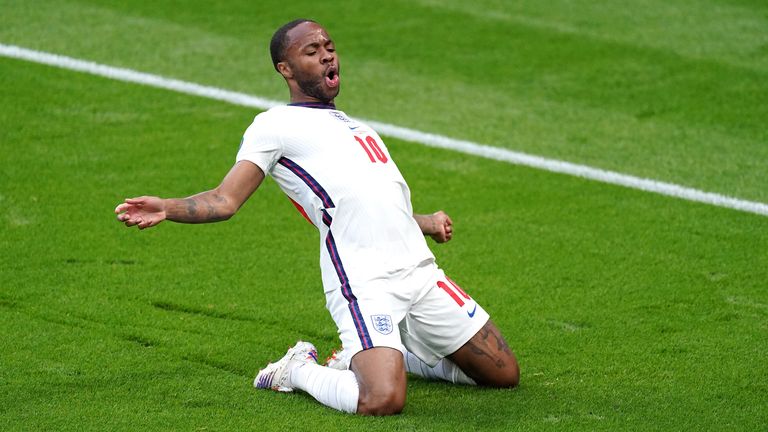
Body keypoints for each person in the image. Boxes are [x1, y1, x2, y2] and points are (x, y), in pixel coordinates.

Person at [115, 18, 519, 416]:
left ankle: (379, 353)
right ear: (285, 69)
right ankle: (298, 369)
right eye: (312, 51)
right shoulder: (274, 126)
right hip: (364, 278)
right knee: (382, 400)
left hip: (420, 271)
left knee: (503, 374)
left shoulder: (360, 128)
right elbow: (225, 199)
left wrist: (427, 222)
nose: (327, 55)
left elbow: (374, 206)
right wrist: (168, 206)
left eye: (329, 46)